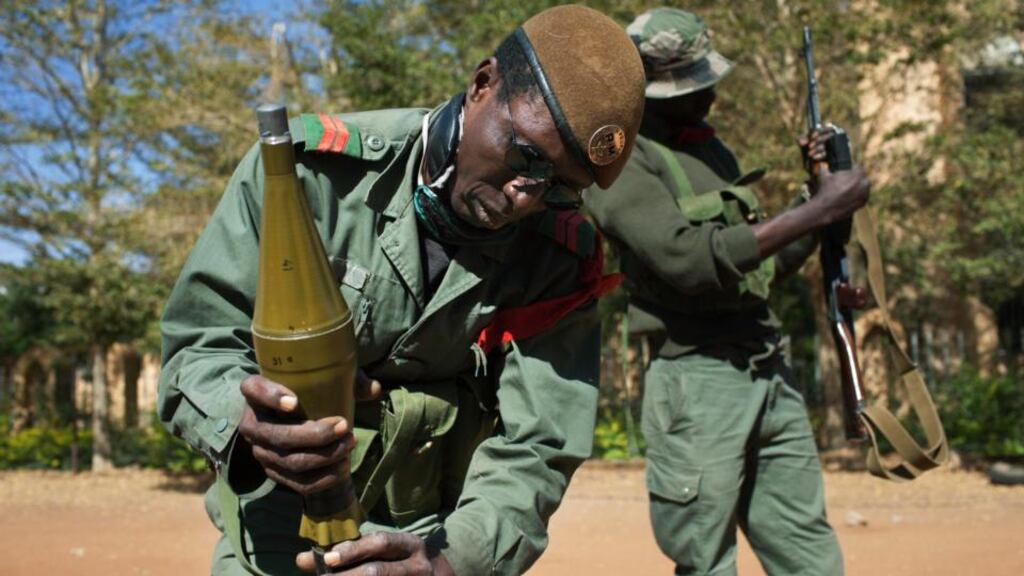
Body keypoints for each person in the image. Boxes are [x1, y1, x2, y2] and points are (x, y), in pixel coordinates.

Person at [158, 5, 645, 576]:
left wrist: (453, 561)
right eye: (526, 156)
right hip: (276, 530)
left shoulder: (560, 257)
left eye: (559, 185)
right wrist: (241, 418)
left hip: (436, 533)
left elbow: (539, 442)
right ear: (482, 85)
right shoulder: (310, 177)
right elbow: (197, 344)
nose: (524, 197)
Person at [584, 8, 870, 576]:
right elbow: (688, 262)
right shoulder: (621, 161)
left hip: (767, 368)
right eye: (695, 86)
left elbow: (760, 266)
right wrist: (819, 208)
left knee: (807, 549)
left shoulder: (711, 152)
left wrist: (818, 200)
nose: (709, 95)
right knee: (706, 560)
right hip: (697, 383)